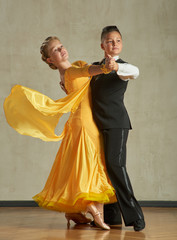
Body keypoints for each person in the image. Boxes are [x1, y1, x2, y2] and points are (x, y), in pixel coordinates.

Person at [4, 36, 118, 230]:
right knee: (93, 165)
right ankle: (94, 209)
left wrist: (103, 65)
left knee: (81, 167)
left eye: (61, 46)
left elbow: (86, 71)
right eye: (56, 50)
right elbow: (88, 70)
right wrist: (107, 67)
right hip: (84, 122)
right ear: (50, 60)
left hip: (78, 122)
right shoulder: (71, 71)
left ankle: (75, 211)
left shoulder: (68, 71)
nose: (62, 50)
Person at [90, 26, 145, 231]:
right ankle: (111, 217)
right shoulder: (95, 68)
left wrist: (116, 68)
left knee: (116, 166)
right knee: (104, 170)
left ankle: (135, 216)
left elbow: (135, 72)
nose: (114, 44)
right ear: (102, 44)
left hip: (116, 124)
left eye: (118, 41)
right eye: (110, 41)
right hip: (97, 125)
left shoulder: (123, 68)